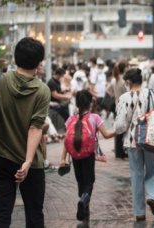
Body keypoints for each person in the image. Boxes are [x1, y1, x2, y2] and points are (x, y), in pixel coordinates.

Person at [0, 37, 50, 227]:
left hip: (0, 158)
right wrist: (28, 161)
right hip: (32, 164)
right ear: (39, 63)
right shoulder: (42, 91)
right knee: (34, 215)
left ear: (16, 57)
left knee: (1, 215)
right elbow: (35, 127)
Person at [114, 68, 154, 222]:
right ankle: (152, 196)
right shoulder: (151, 93)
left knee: (136, 175)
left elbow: (120, 125)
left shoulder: (124, 98)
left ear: (128, 82)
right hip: (150, 139)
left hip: (132, 142)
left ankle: (139, 212)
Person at [60, 90, 115, 223]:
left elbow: (67, 140)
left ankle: (85, 209)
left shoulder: (71, 119)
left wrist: (63, 159)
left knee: (81, 181)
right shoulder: (94, 118)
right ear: (90, 103)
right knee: (89, 182)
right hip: (88, 154)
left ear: (77, 104)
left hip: (74, 155)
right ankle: (84, 200)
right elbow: (106, 134)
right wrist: (119, 129)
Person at [106, 60, 129, 159]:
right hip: (124, 107)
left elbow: (108, 90)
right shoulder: (124, 81)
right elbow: (128, 93)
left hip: (117, 106)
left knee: (118, 130)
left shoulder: (114, 80)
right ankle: (122, 152)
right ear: (124, 68)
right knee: (124, 130)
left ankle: (118, 152)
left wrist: (115, 96)